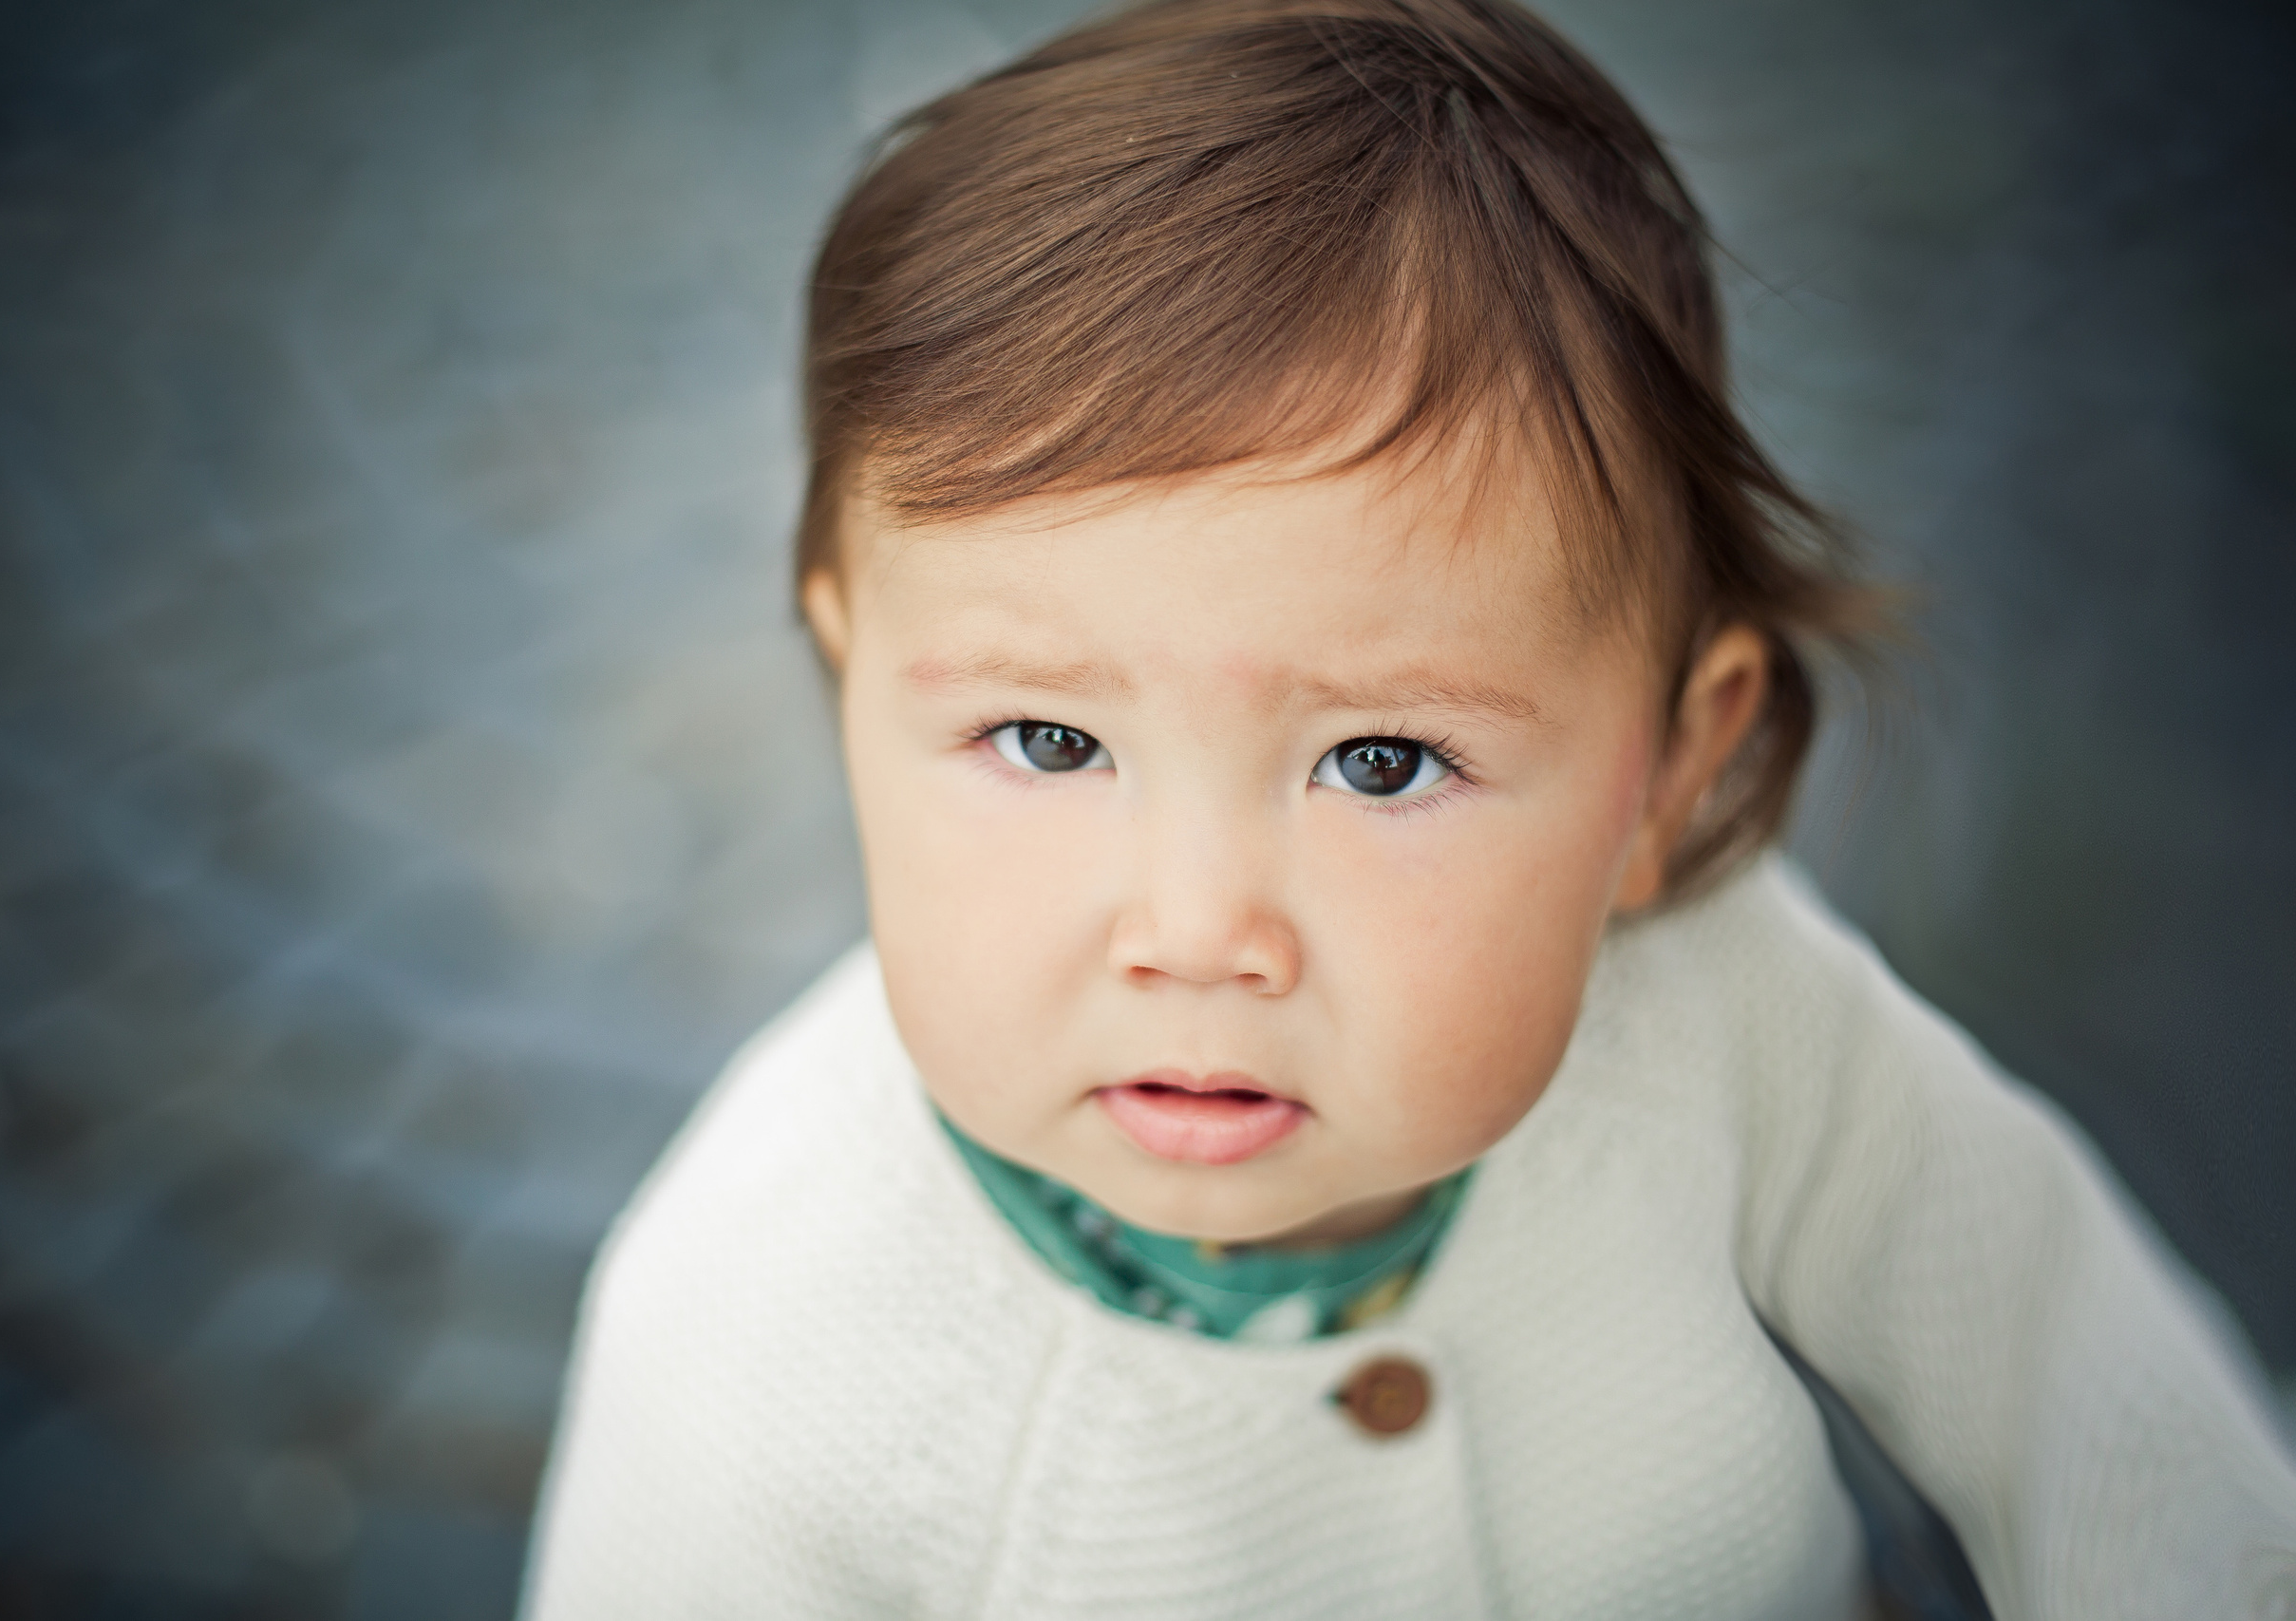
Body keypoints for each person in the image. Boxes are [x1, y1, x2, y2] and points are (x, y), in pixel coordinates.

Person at [520, 0, 2296, 1613]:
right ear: (850, 689)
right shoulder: (761, 1310)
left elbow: (2090, 1397)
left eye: (1383, 763)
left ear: (1667, 774)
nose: (1202, 930)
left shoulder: (1726, 1012)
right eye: (1049, 743)